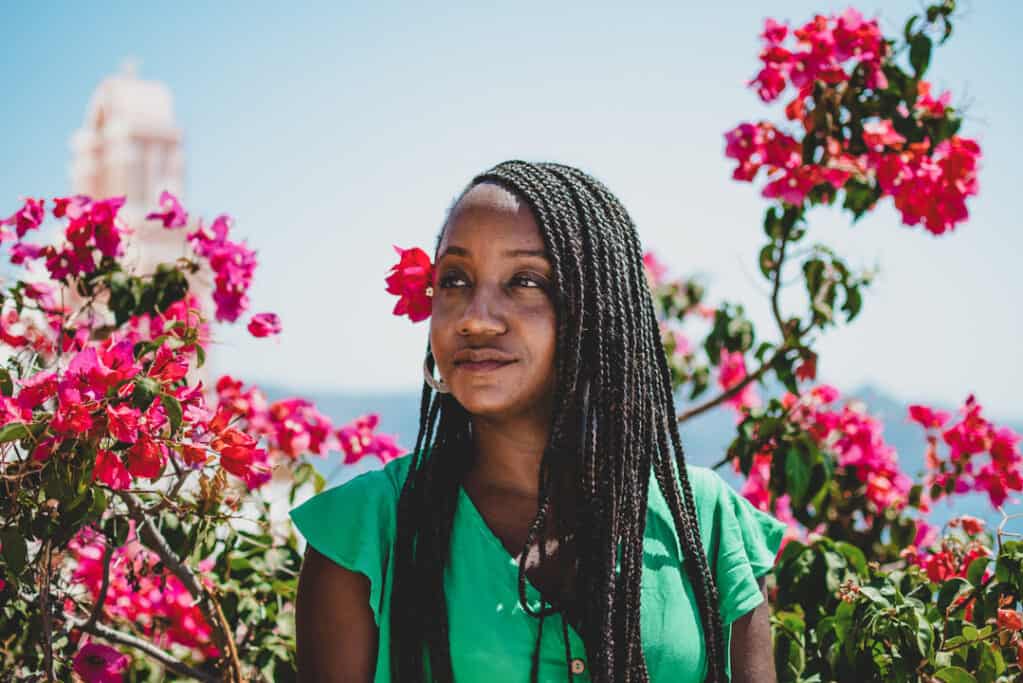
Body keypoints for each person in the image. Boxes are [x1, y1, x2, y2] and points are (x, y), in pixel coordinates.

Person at [291, 160, 785, 682]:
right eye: (454, 279)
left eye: (525, 280)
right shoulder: (364, 536)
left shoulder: (709, 524)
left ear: (595, 310)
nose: (475, 316)